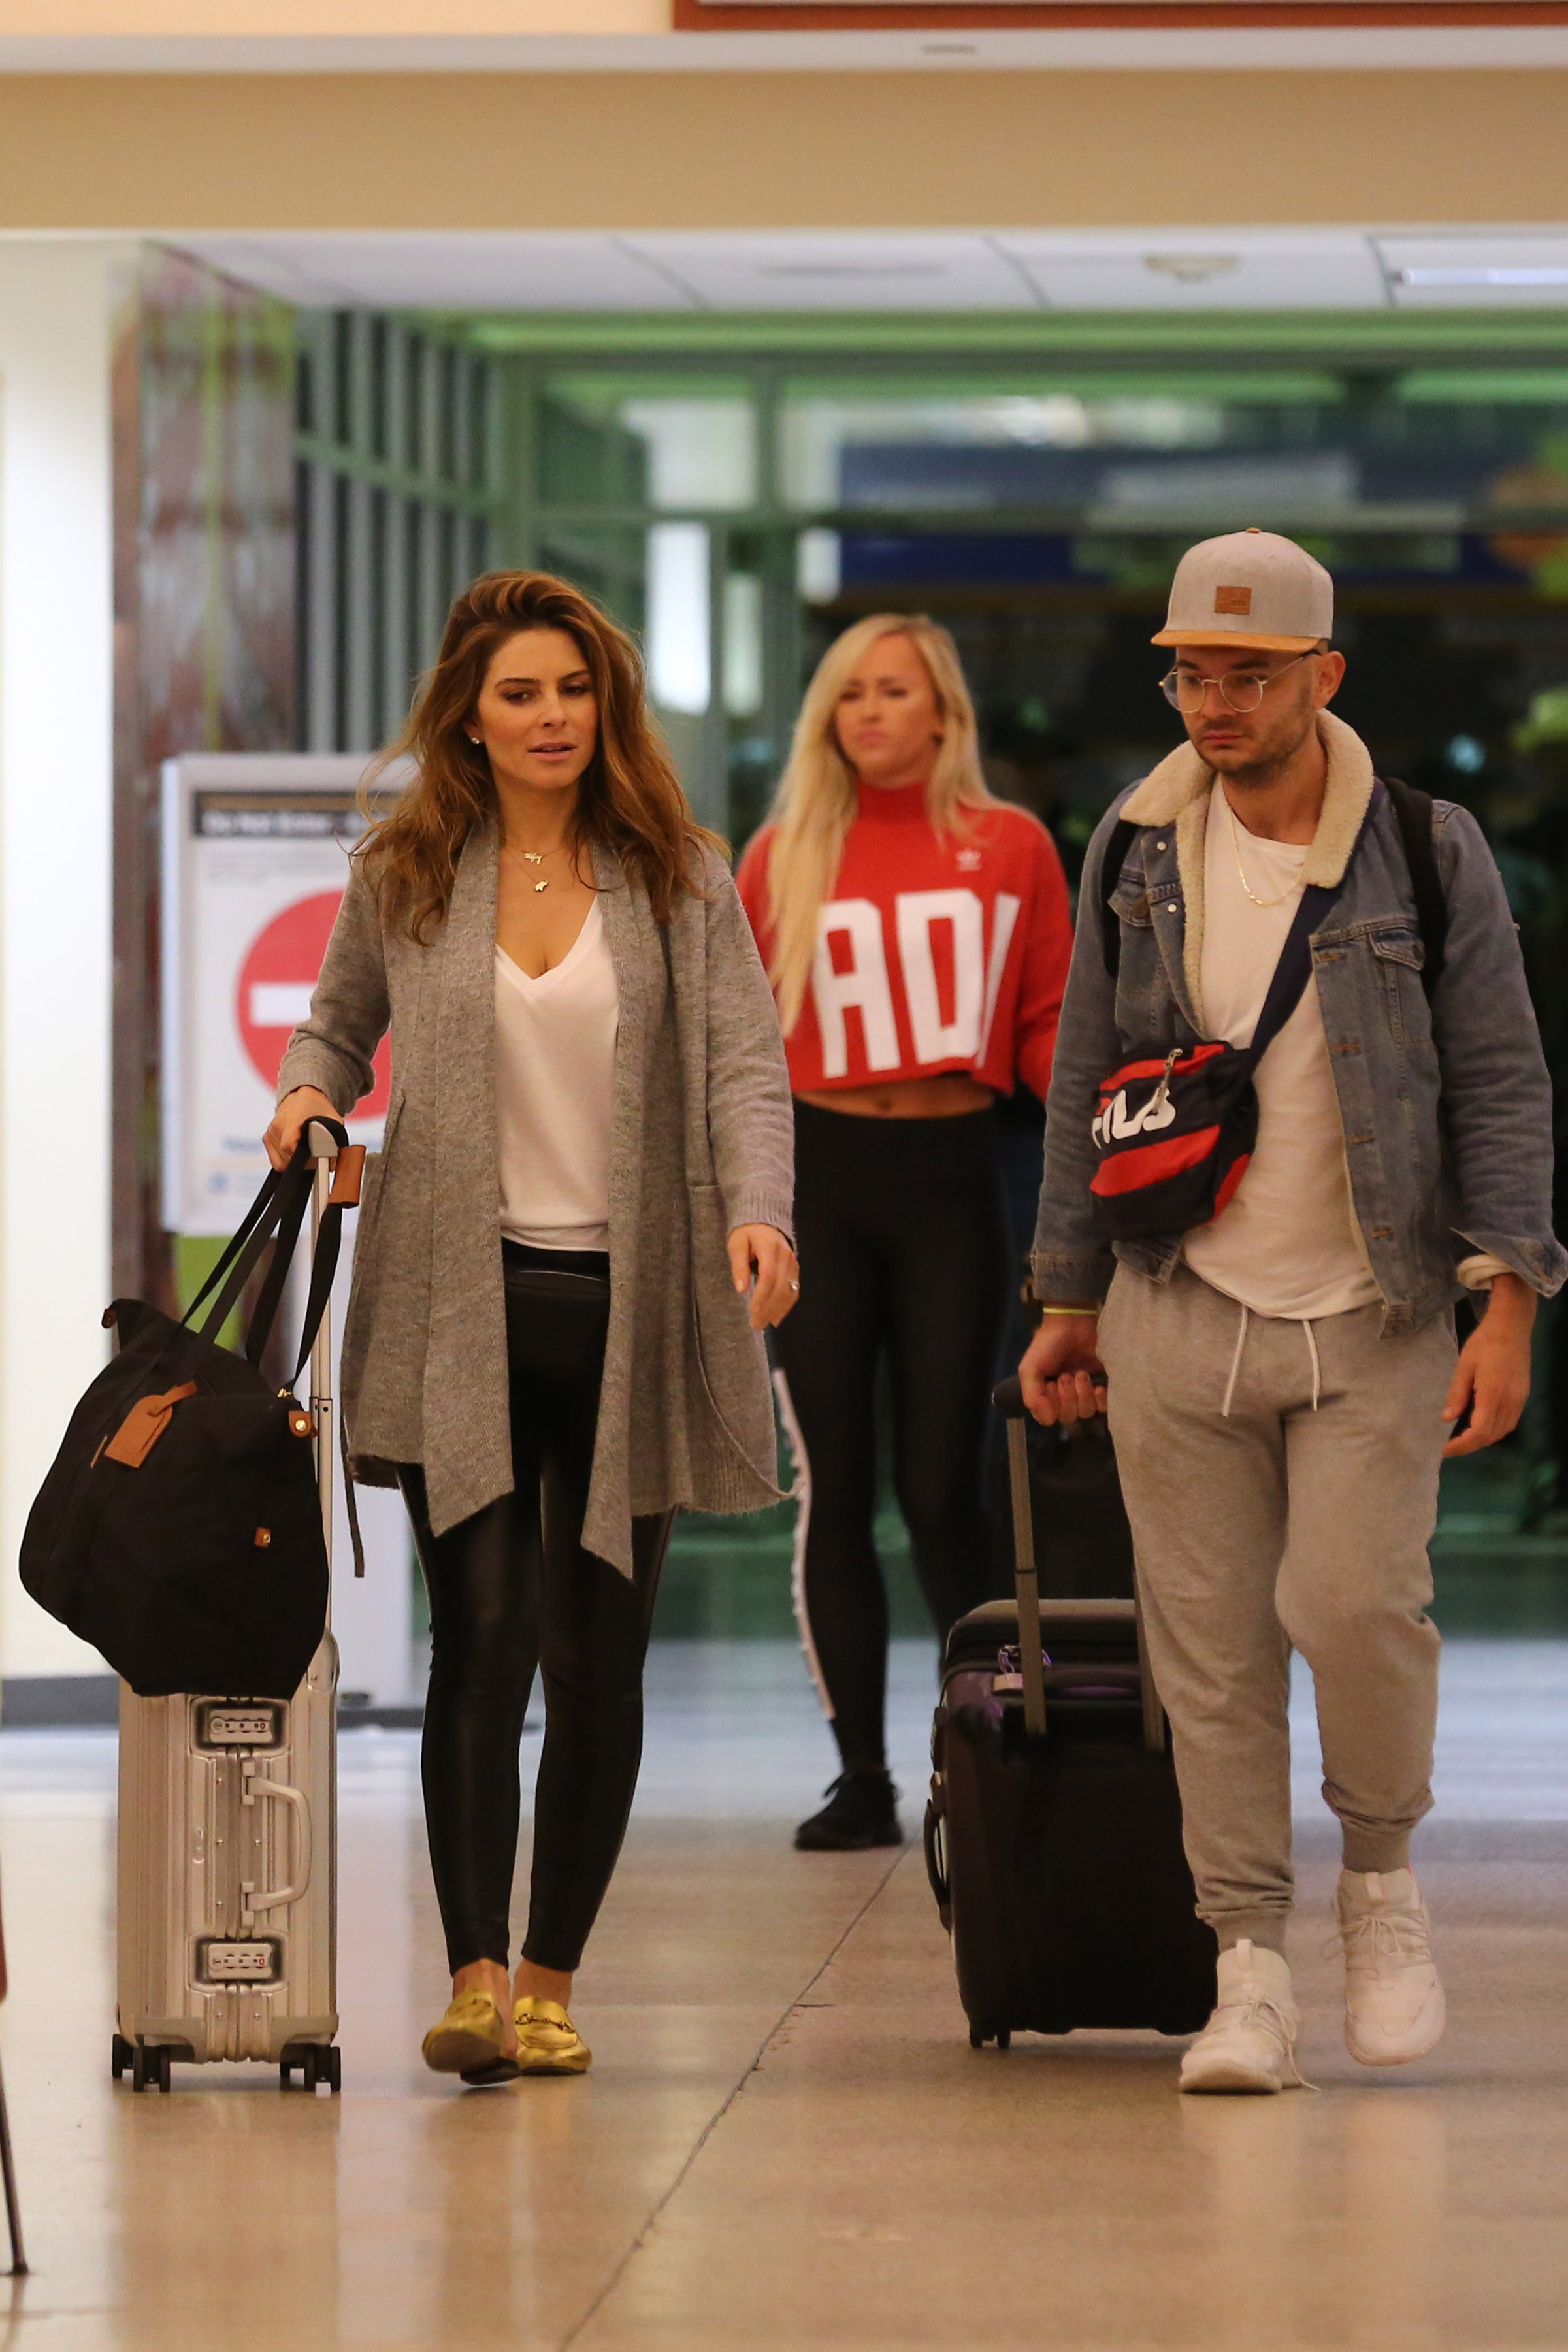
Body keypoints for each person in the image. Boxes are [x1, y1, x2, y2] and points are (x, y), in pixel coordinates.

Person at [1021, 529, 1565, 2093]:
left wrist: (1507, 1300)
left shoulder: (1423, 842)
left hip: (1373, 1310)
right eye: (1193, 668)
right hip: (1178, 1302)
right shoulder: (1134, 845)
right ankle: (1245, 1967)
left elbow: (1504, 1079)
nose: (1214, 698)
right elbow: (1083, 1084)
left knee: (1349, 1607)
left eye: (1248, 672)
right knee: (1208, 1653)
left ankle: (1380, 1888)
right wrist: (1065, 1298)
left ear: (1323, 676)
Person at [266, 570, 798, 2084]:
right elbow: (332, 1026)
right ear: (471, 718)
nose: (551, 716)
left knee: (598, 1656)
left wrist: (762, 1208)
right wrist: (311, 1093)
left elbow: (747, 1073)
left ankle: (555, 1978)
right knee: (484, 1642)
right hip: (457, 1297)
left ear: (603, 705)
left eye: (572, 690)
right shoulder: (410, 870)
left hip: (631, 1308)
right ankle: (474, 1978)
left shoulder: (679, 874)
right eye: (521, 694)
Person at [737, 615, 1071, 1851]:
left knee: (946, 1485)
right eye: (851, 695)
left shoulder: (1013, 846)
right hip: (818, 1182)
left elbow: (1049, 1031)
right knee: (834, 1483)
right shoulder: (782, 855)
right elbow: (738, 1058)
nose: (870, 712)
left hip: (951, 1175)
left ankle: (981, 1750)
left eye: (896, 691)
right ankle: (862, 1775)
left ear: (945, 713)